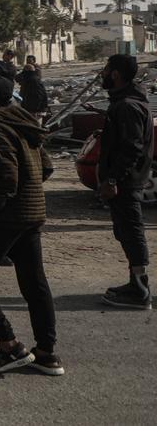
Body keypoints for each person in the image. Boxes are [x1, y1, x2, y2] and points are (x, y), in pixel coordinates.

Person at [0, 74, 61, 375]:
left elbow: (6, 179)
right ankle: (47, 353)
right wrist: (27, 193)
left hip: (8, 217)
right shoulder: (23, 121)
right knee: (34, 284)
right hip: (31, 214)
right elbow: (46, 166)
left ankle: (9, 345)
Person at [97, 54, 153, 310]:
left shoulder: (127, 106)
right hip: (125, 180)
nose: (104, 74)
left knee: (132, 232)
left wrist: (112, 178)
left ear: (116, 74)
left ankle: (141, 291)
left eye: (107, 70)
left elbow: (131, 148)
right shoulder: (126, 102)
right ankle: (135, 282)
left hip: (126, 182)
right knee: (125, 232)